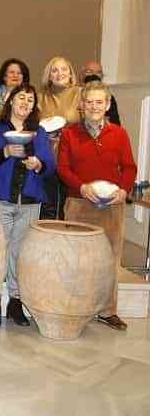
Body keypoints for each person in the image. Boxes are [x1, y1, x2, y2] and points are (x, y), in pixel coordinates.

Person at [58, 81, 137, 331]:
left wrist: (123, 190)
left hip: (112, 207)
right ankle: (75, 308)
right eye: (89, 102)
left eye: (99, 102)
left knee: (110, 260)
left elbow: (129, 167)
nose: (94, 106)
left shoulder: (119, 134)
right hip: (79, 203)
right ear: (81, 105)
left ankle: (107, 311)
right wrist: (82, 188)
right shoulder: (69, 134)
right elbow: (63, 168)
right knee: (76, 259)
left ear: (108, 105)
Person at [0, 84, 55, 327]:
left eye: (30, 100)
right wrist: (5, 152)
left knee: (19, 254)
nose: (26, 103)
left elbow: (51, 166)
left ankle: (15, 302)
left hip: (29, 201)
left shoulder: (39, 132)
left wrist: (38, 165)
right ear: (10, 101)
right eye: (21, 97)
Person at [38, 56, 82, 219]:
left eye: (64, 69)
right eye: (54, 70)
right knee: (47, 205)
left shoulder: (80, 93)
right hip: (46, 155)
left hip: (72, 155)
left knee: (68, 205)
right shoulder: (40, 97)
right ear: (49, 76)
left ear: (71, 74)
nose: (59, 73)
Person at [0, 58, 30, 123]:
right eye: (11, 72)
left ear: (23, 78)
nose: (15, 75)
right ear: (4, 76)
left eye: (19, 73)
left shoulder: (30, 98)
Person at [80, 60, 121, 125]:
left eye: (98, 72)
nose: (94, 75)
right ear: (81, 75)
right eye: (89, 71)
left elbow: (115, 122)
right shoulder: (74, 95)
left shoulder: (109, 97)